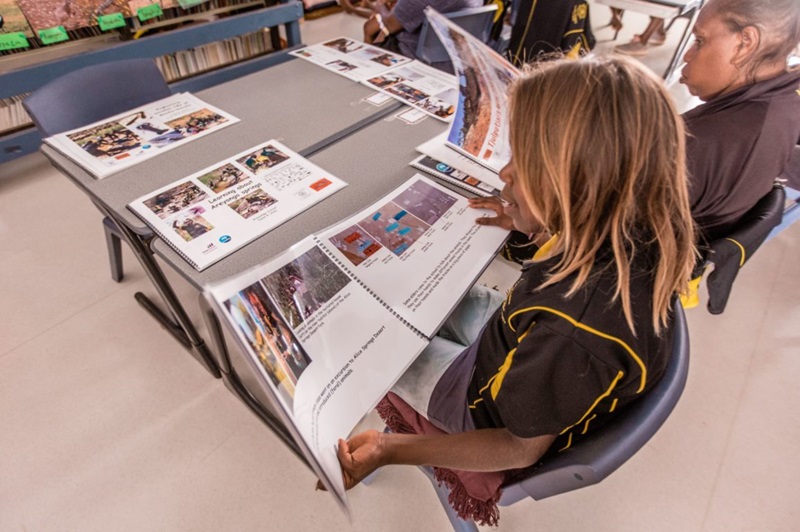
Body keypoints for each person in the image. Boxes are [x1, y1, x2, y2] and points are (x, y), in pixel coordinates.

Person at [328, 56, 697, 524]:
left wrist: (387, 448)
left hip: (484, 409)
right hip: (513, 342)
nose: (505, 174)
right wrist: (539, 224)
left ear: (575, 186)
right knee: (412, 295)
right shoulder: (629, 231)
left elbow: (517, 447)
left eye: (523, 162)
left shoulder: (580, 329)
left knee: (369, 339)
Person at [678, 0, 800, 243]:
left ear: (745, 44)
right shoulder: (787, 102)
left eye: (700, 41)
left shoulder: (703, 141)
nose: (687, 55)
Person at [362, 0, 482, 59]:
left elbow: (391, 24)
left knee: (370, 29)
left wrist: (379, 6)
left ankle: (364, 66)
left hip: (413, 55)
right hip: (454, 57)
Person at [506, 0, 596, 66]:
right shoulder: (578, 3)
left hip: (519, 59)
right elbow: (580, 42)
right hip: (546, 70)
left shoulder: (577, 4)